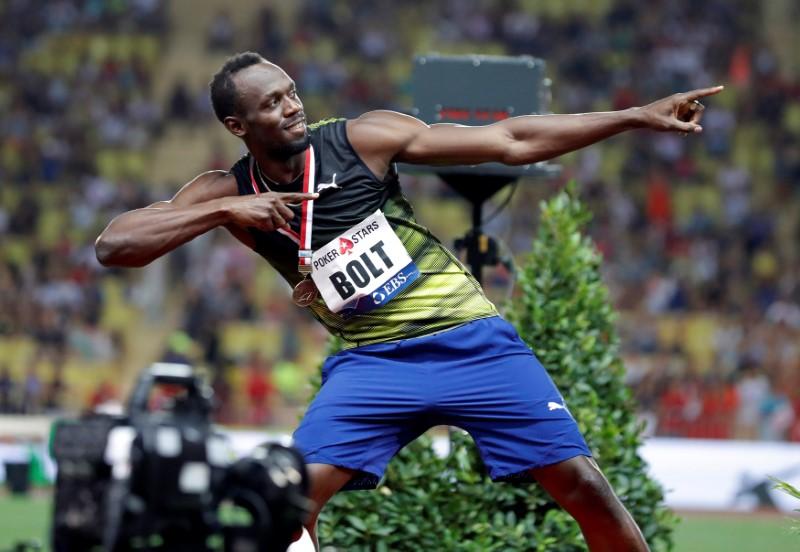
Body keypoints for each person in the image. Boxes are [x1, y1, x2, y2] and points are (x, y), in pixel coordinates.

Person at [95, 51, 721, 551]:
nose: (291, 108)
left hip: (471, 343)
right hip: (374, 366)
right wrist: (225, 210)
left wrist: (637, 115)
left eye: (291, 93)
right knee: (283, 502)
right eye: (271, 104)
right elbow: (114, 245)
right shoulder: (225, 190)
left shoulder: (362, 138)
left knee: (583, 487)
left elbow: (511, 142)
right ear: (238, 126)